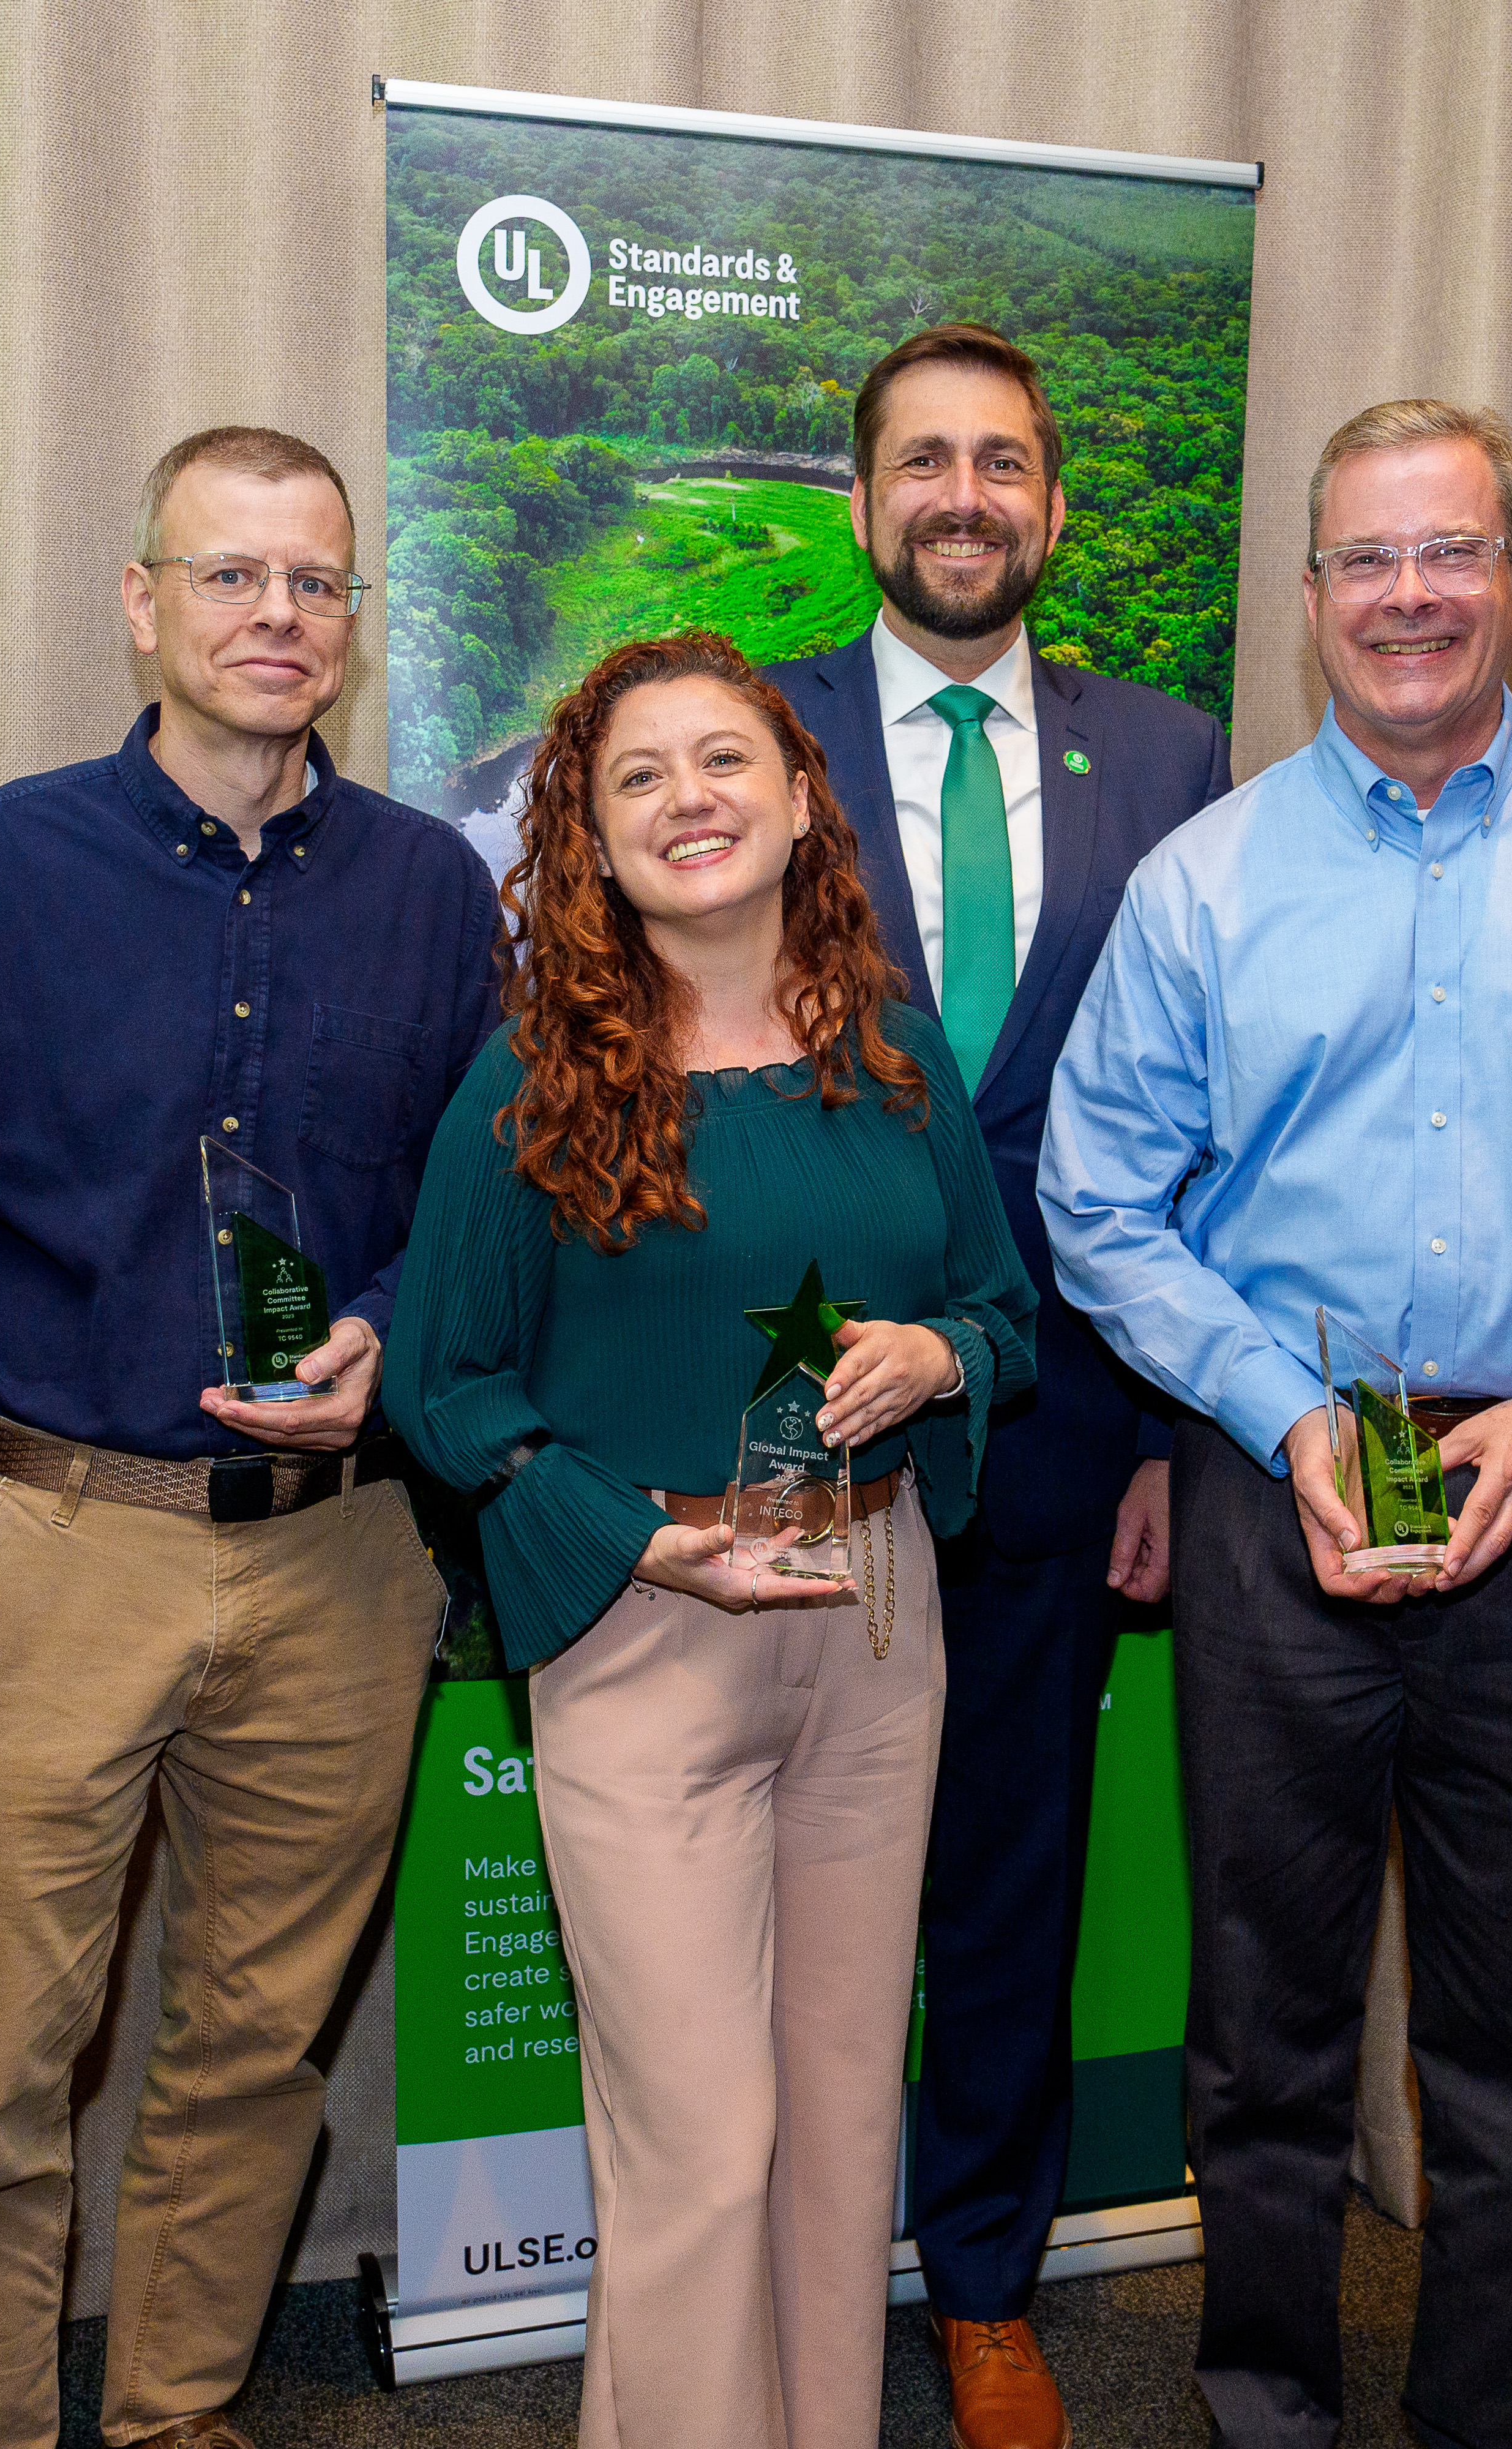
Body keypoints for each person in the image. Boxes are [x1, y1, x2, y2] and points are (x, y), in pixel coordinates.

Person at [1042, 399, 1512, 2449]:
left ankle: (1491, 2422)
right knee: (1265, 2035)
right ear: (1309, 604)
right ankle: (1268, 2410)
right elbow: (1097, 1199)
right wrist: (1281, 1411)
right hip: (1276, 1490)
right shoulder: (1205, 884)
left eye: (1448, 553)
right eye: (1366, 562)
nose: (1409, 598)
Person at [0, 424, 503, 2449]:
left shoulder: (434, 894)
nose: (276, 617)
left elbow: (469, 1215)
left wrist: (383, 1325)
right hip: (48, 1539)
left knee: (253, 2049)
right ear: (143, 603)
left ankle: (177, 2414)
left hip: (344, 1558)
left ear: (353, 628)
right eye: (230, 576)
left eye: (314, 585)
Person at [390, 631, 1035, 2449]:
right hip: (646, 1625)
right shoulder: (535, 1080)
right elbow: (443, 1387)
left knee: (839, 2118)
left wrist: (941, 1355)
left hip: (879, 1614)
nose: (691, 800)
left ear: (800, 791)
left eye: (725, 760)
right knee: (700, 2138)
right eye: (640, 777)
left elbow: (1006, 1313)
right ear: (586, 838)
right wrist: (636, 1544)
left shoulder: (898, 1049)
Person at [757, 323, 1230, 2449]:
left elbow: (1206, 1124)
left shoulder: (1177, 753)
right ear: (861, 503)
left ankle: (980, 2281)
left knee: (1012, 1875)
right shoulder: (740, 735)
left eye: (1005, 463)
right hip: (793, 1403)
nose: (965, 495)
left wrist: (1158, 1439)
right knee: (770, 1876)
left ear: (1052, 505)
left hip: (1058, 1417)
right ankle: (766, 2274)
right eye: (923, 460)